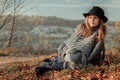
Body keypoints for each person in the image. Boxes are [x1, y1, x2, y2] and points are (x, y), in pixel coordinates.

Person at [35, 6, 108, 76]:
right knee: (72, 55)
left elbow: (94, 54)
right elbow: (70, 43)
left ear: (100, 20)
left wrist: (86, 63)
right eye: (90, 17)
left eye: (95, 18)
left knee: (79, 61)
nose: (92, 20)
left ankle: (51, 64)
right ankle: (58, 61)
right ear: (87, 19)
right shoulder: (82, 28)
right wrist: (68, 52)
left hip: (82, 58)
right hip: (71, 53)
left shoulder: (99, 35)